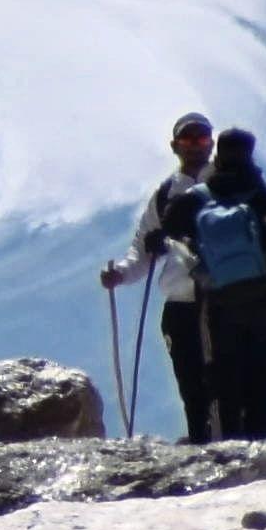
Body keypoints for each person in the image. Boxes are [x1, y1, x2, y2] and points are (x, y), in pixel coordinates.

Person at [181, 126, 266, 446]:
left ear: (218, 156)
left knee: (227, 380)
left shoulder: (200, 197)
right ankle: (263, 444)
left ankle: (231, 449)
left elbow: (171, 229)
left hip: (221, 304)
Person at [96, 113, 222, 438]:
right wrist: (121, 274)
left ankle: (222, 441)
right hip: (183, 301)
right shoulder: (166, 194)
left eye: (202, 139)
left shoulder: (228, 182)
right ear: (175, 146)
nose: (196, 145)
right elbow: (141, 251)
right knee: (191, 381)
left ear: (211, 142)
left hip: (224, 299)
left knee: (223, 377)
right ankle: (202, 442)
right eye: (188, 139)